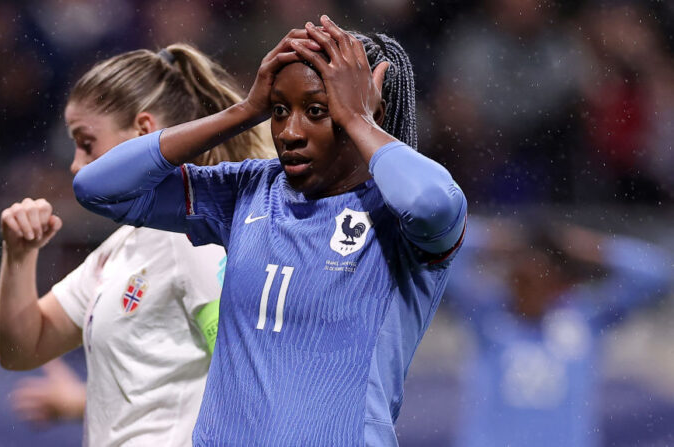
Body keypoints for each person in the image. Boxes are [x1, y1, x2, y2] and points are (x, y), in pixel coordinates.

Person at [72, 16, 467, 446]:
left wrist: (357, 119)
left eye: (317, 111)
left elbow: (434, 202)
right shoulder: (248, 190)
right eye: (280, 111)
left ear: (373, 112)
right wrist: (244, 112)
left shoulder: (399, 217)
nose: (290, 133)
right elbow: (98, 189)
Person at [0, 44, 273, 446]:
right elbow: (23, 347)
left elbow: (248, 382)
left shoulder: (195, 238)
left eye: (86, 142)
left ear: (144, 132)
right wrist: (20, 255)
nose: (75, 164)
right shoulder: (120, 247)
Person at [444, 216, 672, 447]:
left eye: (539, 277)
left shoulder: (584, 318)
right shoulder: (487, 316)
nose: (529, 289)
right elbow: (440, 262)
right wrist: (493, 238)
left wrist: (591, 247)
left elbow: (656, 274)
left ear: (557, 282)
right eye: (521, 278)